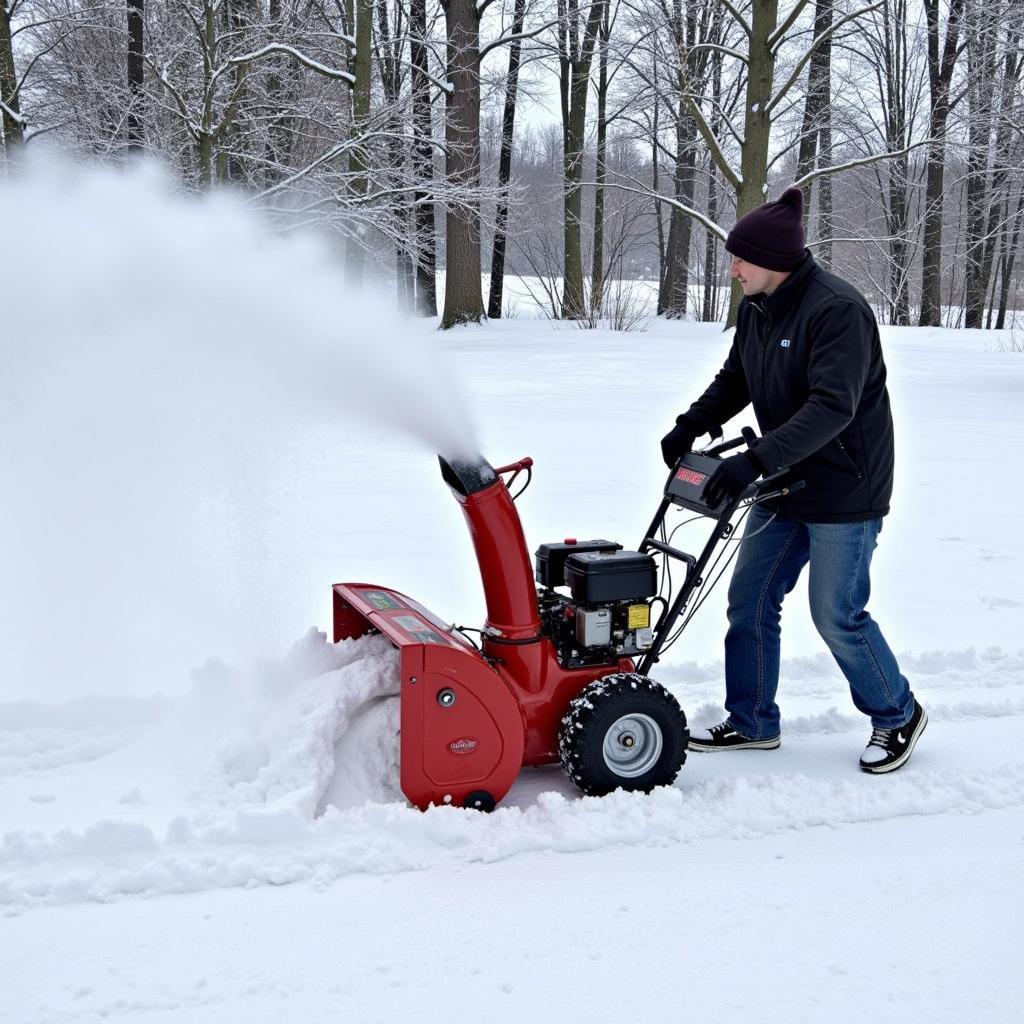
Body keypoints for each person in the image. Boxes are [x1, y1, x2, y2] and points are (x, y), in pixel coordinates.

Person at [660, 186, 926, 774]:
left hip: (844, 490)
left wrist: (753, 462)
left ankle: (897, 713)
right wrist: (690, 425)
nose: (732, 270)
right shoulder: (759, 305)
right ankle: (753, 721)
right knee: (749, 599)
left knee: (837, 613)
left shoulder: (838, 311)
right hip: (784, 481)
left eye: (740, 260)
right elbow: (737, 378)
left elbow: (834, 407)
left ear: (774, 261)